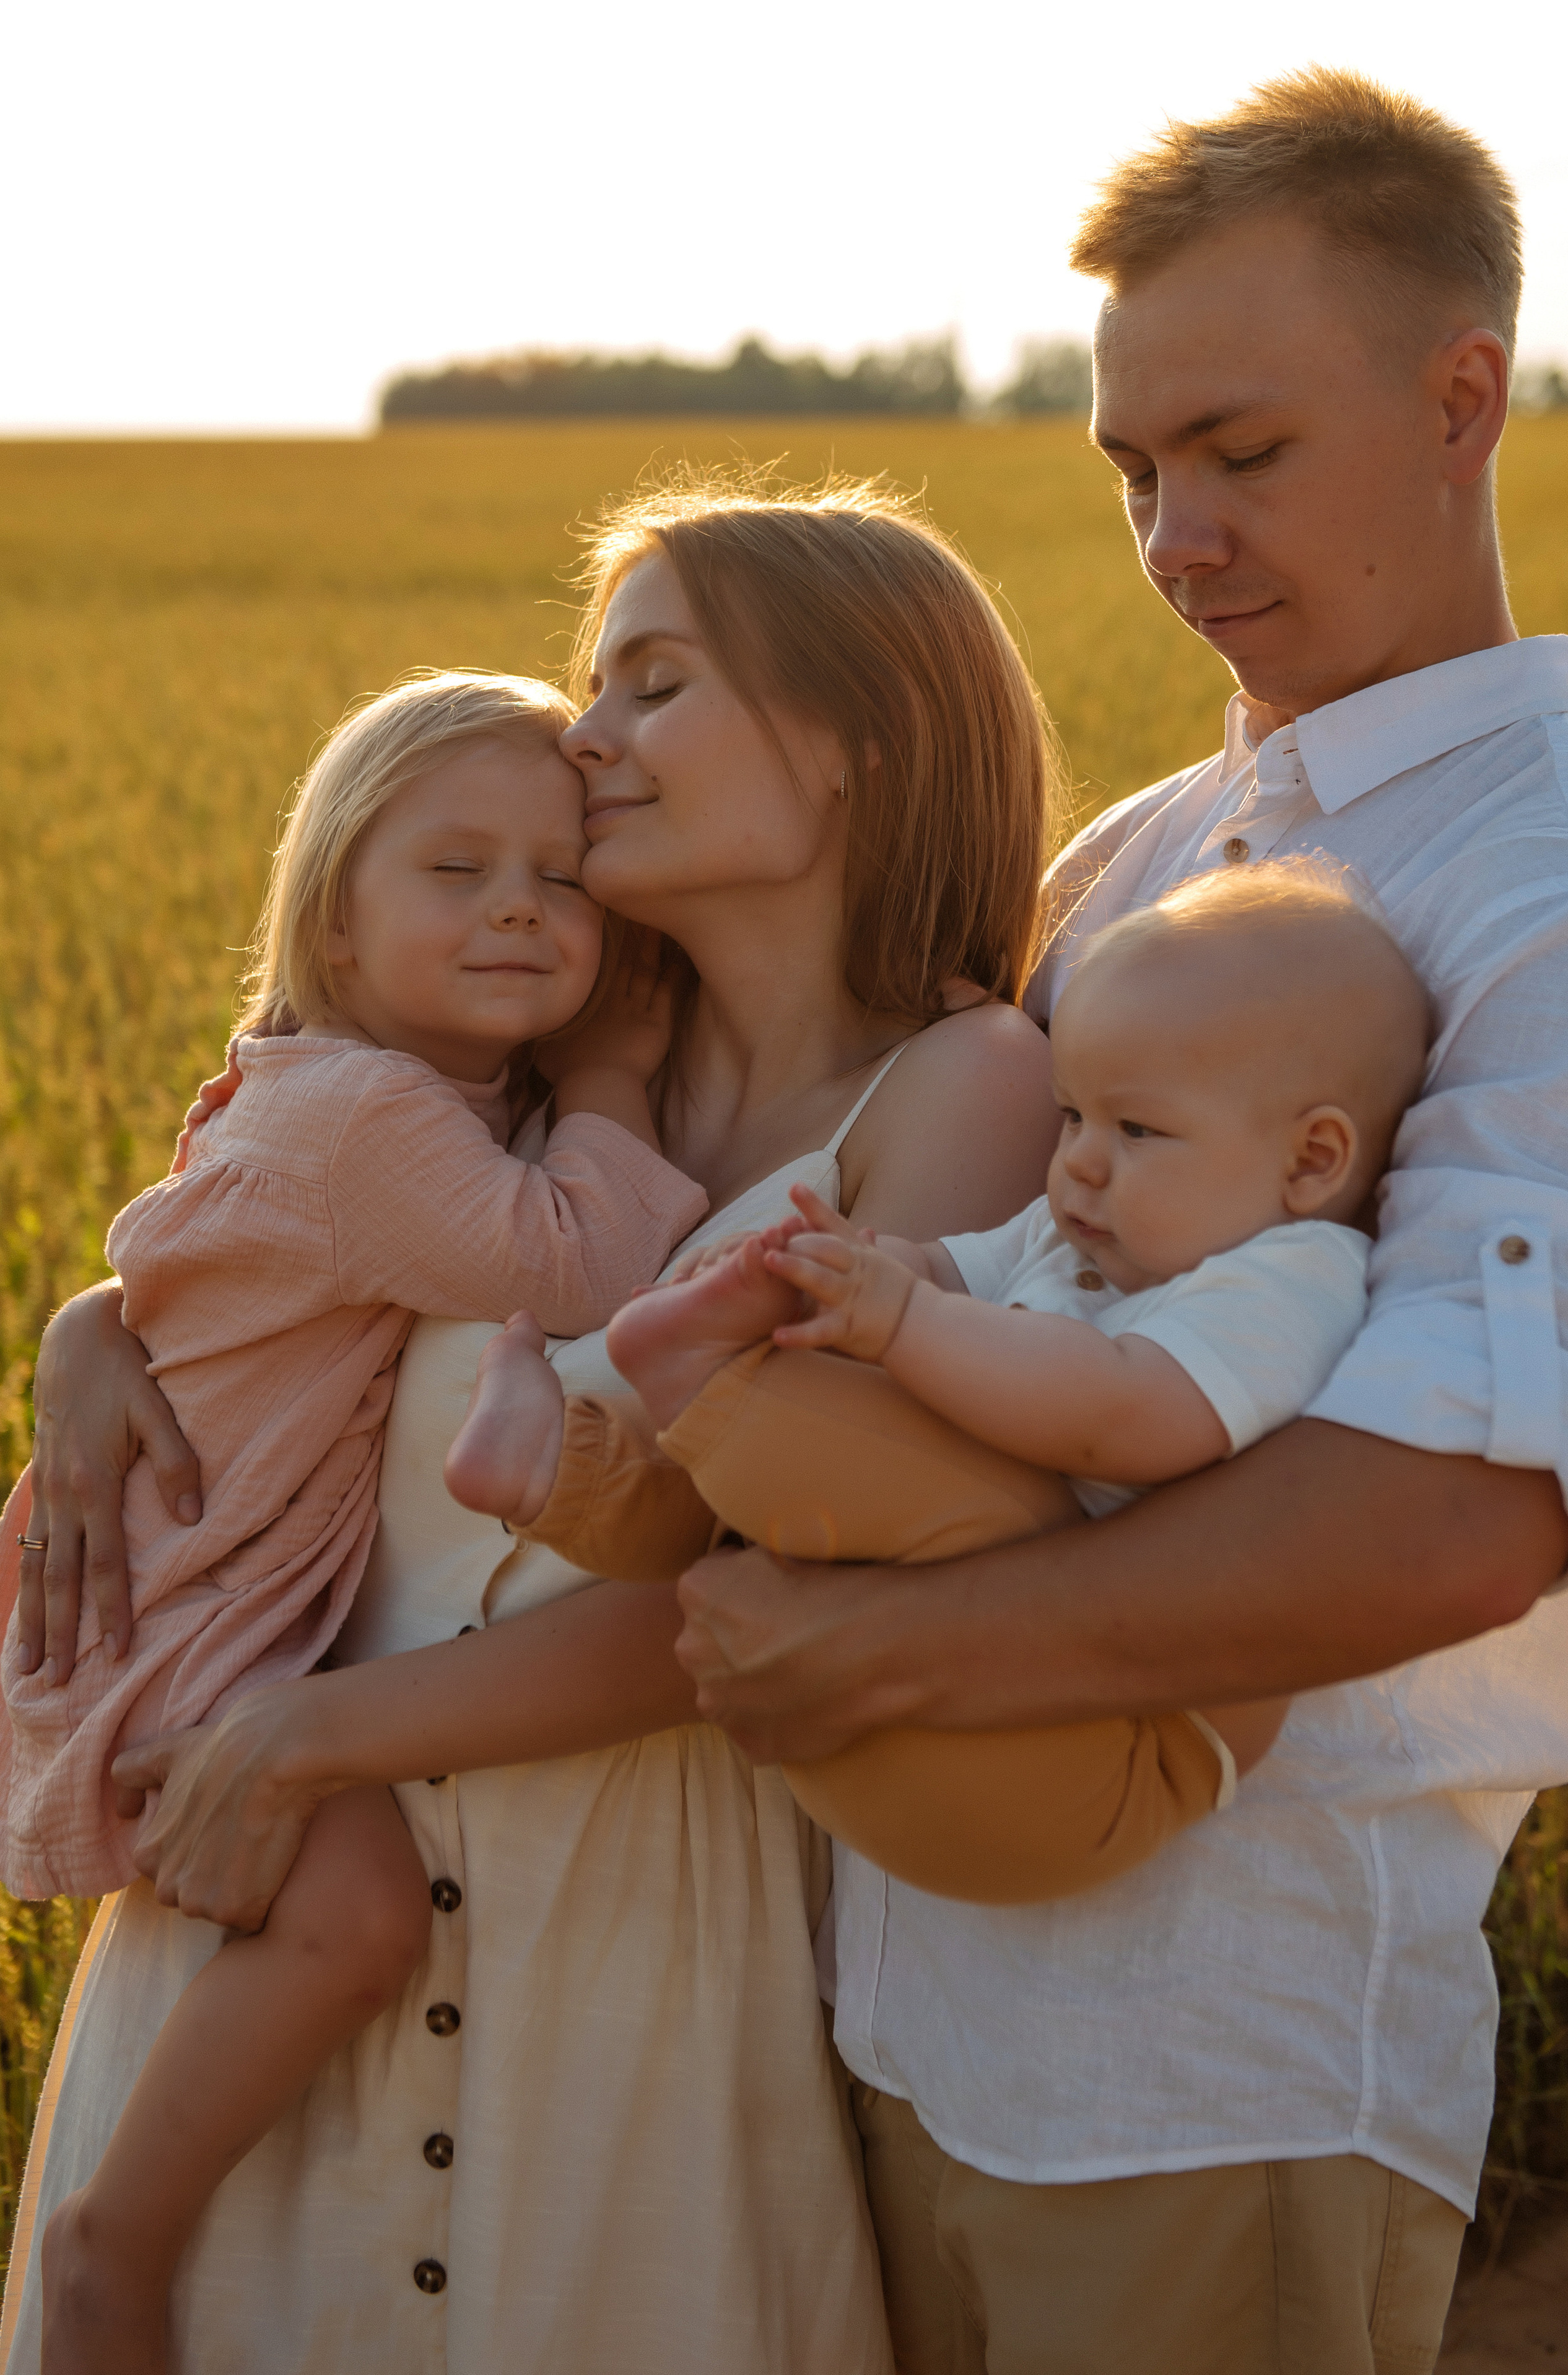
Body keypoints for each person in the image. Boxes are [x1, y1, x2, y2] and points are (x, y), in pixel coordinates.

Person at [668, 70, 1568, 2374]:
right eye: (1132, 470)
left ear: (1461, 397)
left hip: (1219, 2059)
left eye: (1241, 451)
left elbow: (1469, 1512)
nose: (1176, 535)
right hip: (902, 2015)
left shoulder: (1548, 869)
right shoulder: (1146, 853)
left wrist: (879, 1651)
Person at [0, 477, 1059, 2374]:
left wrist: (315, 1732)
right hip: (265, 1939)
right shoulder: (515, 1078)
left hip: (607, 1948)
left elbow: (786, 1595)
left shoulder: (964, 1089)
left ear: (848, 747)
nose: (586, 737)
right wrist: (99, 1328)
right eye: (596, 679)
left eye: (652, 681)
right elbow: (272, 1256)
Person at [4, 669, 710, 2373]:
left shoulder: (356, 1087)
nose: (521, 910)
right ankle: (116, 2245)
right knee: (362, 1912)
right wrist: (617, 1076)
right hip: (179, 1616)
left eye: (559, 876)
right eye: (454, 872)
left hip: (206, 1584)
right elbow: (577, 1267)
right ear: (334, 911)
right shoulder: (383, 1112)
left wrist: (93, 1311)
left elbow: (183, 1226)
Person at [450, 862, 1431, 1902]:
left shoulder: (1290, 1274)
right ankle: (561, 1464)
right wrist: (850, 1267)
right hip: (930, 1691)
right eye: (1070, 1118)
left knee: (866, 1414)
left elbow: (1126, 1416)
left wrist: (902, 1321)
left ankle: (691, 1366)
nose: (1083, 1165)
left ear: (1312, 1159)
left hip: (1109, 1743)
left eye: (1137, 1129)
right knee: (767, 1490)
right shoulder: (1083, 1228)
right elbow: (955, 1267)